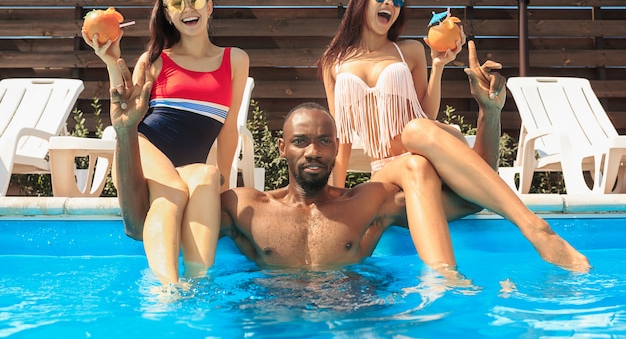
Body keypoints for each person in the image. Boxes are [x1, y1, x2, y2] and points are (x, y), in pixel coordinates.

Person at [110, 61, 589, 272]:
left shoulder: (369, 203)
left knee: (417, 163)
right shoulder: (244, 206)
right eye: (301, 142)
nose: (313, 151)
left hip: (361, 315)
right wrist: (129, 132)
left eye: (323, 141)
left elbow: (472, 197)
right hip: (269, 319)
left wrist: (488, 113)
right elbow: (139, 226)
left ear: (338, 148)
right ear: (283, 150)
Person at [317, 0, 591, 271]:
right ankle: (528, 229)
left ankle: (525, 237)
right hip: (384, 172)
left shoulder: (409, 50)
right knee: (416, 149)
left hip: (426, 162)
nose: (389, 4)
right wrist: (334, 198)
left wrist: (439, 65)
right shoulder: (334, 62)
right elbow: (339, 138)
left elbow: (424, 113)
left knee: (416, 142)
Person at [83, 0, 250, 285]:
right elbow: (126, 111)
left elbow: (229, 129)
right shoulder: (154, 60)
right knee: (171, 192)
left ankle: (198, 285)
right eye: (177, 4)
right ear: (168, 15)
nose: (188, 9)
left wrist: (225, 188)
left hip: (185, 168)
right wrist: (111, 62)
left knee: (208, 174)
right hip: (143, 152)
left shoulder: (235, 59)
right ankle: (166, 290)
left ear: (209, 6)